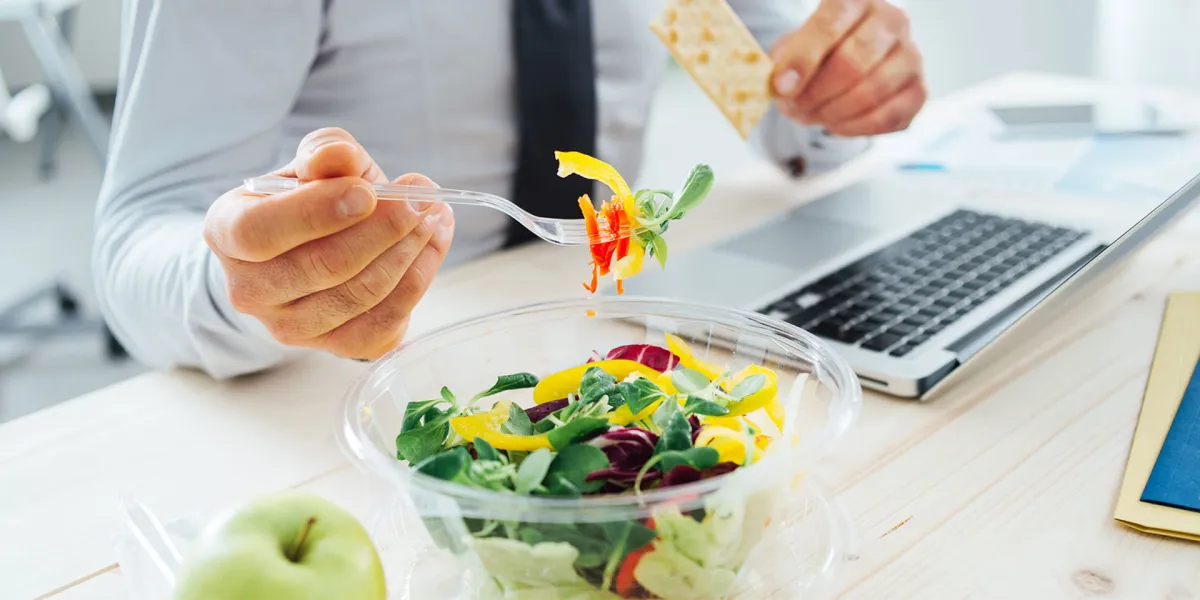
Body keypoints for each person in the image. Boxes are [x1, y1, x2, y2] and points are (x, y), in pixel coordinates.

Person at [94, 0, 926, 379]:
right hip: (357, 386)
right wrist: (263, 281)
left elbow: (784, 109)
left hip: (614, 343)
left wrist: (848, 87)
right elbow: (140, 236)